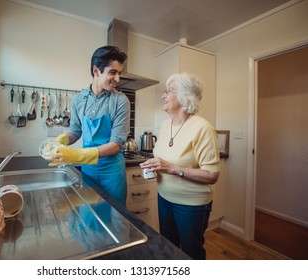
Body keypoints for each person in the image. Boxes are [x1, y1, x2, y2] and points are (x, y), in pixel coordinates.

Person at [139, 72, 220, 259]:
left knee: (191, 252)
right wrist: (154, 167)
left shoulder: (203, 128)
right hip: (165, 197)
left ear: (185, 97)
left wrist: (172, 168)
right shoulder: (165, 124)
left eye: (169, 91)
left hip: (191, 204)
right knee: (168, 247)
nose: (163, 95)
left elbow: (212, 175)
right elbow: (165, 157)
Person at [50, 46, 130, 206]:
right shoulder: (79, 99)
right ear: (96, 71)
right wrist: (62, 140)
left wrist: (78, 155)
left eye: (119, 73)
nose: (118, 79)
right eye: (113, 72)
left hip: (112, 172)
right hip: (89, 171)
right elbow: (76, 131)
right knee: (90, 216)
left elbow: (116, 144)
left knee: (115, 219)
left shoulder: (120, 101)